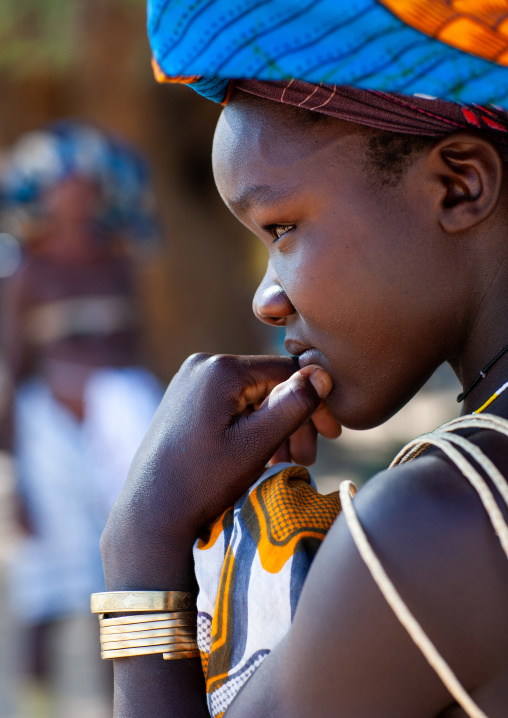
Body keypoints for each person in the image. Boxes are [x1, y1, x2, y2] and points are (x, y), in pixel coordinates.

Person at [97, 2, 508, 716]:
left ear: (459, 185)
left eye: (282, 228)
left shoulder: (440, 528)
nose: (267, 300)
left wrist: (144, 548)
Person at [0, 121, 162, 717]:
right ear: (39, 195)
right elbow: (15, 369)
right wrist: (16, 480)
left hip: (114, 425)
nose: (75, 199)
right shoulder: (25, 271)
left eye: (86, 188)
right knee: (47, 578)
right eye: (63, 188)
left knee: (118, 566)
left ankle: (118, 699)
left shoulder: (117, 264)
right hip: (48, 432)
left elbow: (134, 349)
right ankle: (39, 703)